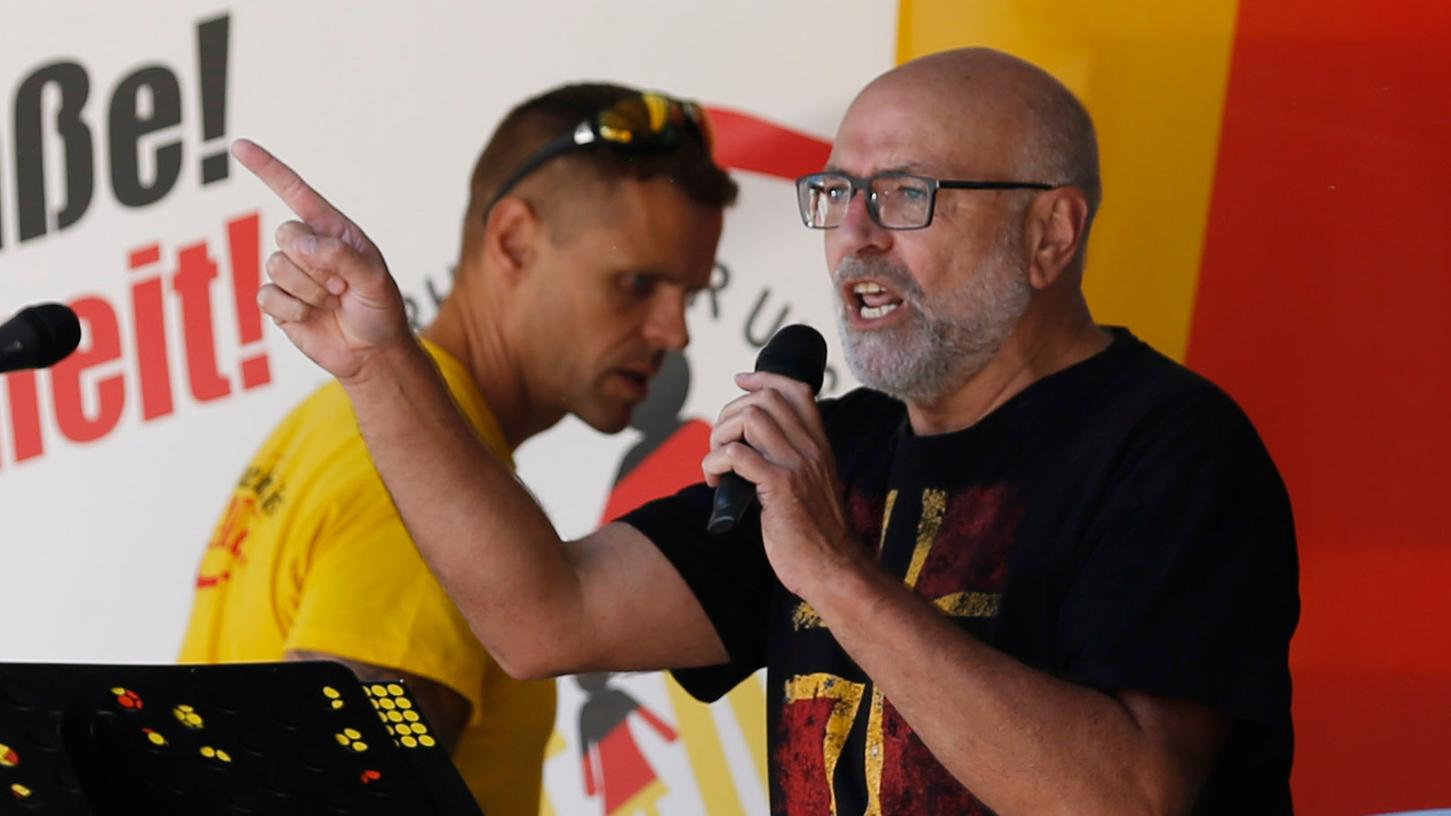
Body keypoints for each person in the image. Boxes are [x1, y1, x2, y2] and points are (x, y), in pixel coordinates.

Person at [237, 47, 1298, 815]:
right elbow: (539, 617)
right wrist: (380, 362)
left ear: (1049, 231)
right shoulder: (829, 449)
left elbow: (1126, 800)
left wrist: (836, 578)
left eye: (905, 195)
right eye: (837, 195)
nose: (855, 239)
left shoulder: (1167, 450)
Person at [178, 82, 736, 815]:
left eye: (687, 295)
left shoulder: (342, 420)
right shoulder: (419, 480)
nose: (674, 331)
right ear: (512, 240)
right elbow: (334, 793)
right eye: (636, 284)